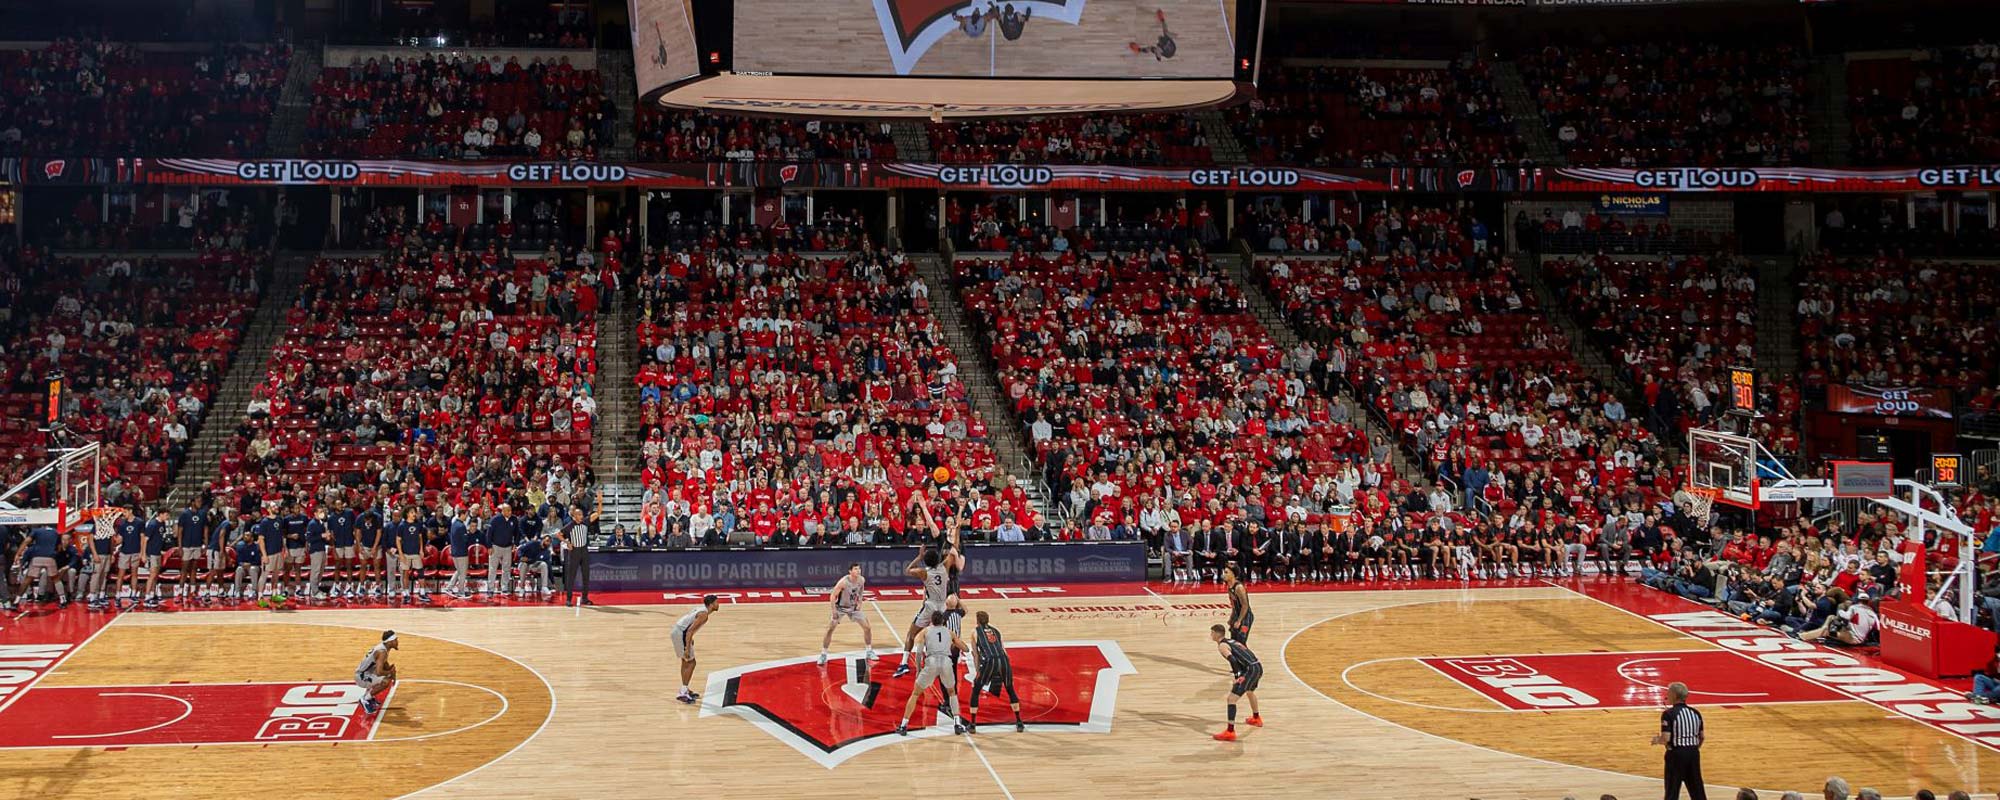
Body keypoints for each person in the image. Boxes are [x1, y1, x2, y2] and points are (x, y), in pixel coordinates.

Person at [896, 609, 968, 737]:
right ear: (943, 621)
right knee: (952, 692)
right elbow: (965, 648)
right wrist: (954, 643)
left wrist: (918, 669)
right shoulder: (949, 632)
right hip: (946, 662)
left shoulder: (926, 631)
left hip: (932, 662)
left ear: (931, 621)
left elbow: (918, 652)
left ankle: (903, 725)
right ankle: (957, 723)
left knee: (916, 693)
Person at [893, 547, 950, 678]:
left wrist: (919, 557)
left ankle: (903, 664)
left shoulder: (923, 572)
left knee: (911, 635)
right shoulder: (944, 567)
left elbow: (907, 570)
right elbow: (953, 552)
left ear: (926, 561)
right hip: (942, 607)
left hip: (930, 606)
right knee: (943, 635)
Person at [967, 609, 1023, 733]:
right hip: (1003, 660)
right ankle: (1019, 722)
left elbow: (976, 655)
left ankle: (972, 724)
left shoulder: (974, 632)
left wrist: (978, 672)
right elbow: (1004, 651)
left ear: (977, 621)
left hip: (990, 660)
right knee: (1010, 689)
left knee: (976, 689)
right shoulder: (996, 631)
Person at [1653, 681, 1706, 800]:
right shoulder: (1696, 712)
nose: (1667, 695)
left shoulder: (1668, 714)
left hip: (1676, 755)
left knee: (1672, 791)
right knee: (1697, 790)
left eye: (1669, 693)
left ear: (1674, 695)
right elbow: (1702, 737)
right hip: (1693, 753)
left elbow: (1666, 738)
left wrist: (1657, 740)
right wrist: (1693, 749)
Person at [1210, 623, 1262, 741]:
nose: (1211, 635)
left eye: (1212, 633)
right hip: (1257, 666)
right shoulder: (1232, 641)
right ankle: (1256, 718)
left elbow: (1233, 660)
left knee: (1231, 699)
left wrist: (1238, 675)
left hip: (1249, 670)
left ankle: (1230, 732)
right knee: (1249, 691)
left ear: (1217, 634)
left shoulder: (1222, 645)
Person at [819, 563, 877, 665]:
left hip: (853, 608)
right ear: (850, 571)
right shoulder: (843, 582)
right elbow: (832, 596)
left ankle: (869, 651)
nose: (858, 571)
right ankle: (823, 654)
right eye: (855, 569)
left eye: (859, 569)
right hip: (840, 608)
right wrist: (834, 611)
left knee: (867, 627)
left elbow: (860, 591)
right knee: (830, 629)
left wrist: (860, 602)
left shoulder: (861, 580)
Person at [672, 595, 719, 704]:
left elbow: (688, 627)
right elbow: (689, 631)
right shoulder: (704, 615)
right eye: (716, 602)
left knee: (686, 661)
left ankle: (685, 689)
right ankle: (682, 692)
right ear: (711, 604)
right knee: (691, 663)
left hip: (679, 632)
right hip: (680, 634)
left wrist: (690, 639)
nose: (718, 604)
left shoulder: (701, 609)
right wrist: (687, 647)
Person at [356, 630, 400, 715]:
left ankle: (370, 696)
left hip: (366, 673)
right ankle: (366, 699)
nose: (397, 642)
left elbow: (384, 663)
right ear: (390, 641)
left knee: (387, 676)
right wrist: (390, 672)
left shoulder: (383, 648)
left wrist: (390, 670)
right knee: (385, 681)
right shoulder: (382, 652)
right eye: (396, 640)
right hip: (361, 676)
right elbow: (379, 672)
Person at [1225, 565, 1255, 643]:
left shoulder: (1239, 588)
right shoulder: (1229, 587)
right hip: (1237, 615)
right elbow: (1234, 605)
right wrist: (1232, 617)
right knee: (1234, 642)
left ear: (1233, 574)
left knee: (1241, 643)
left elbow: (1245, 606)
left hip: (1245, 617)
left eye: (1226, 572)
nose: (1223, 574)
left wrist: (1239, 621)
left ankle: (1247, 655)